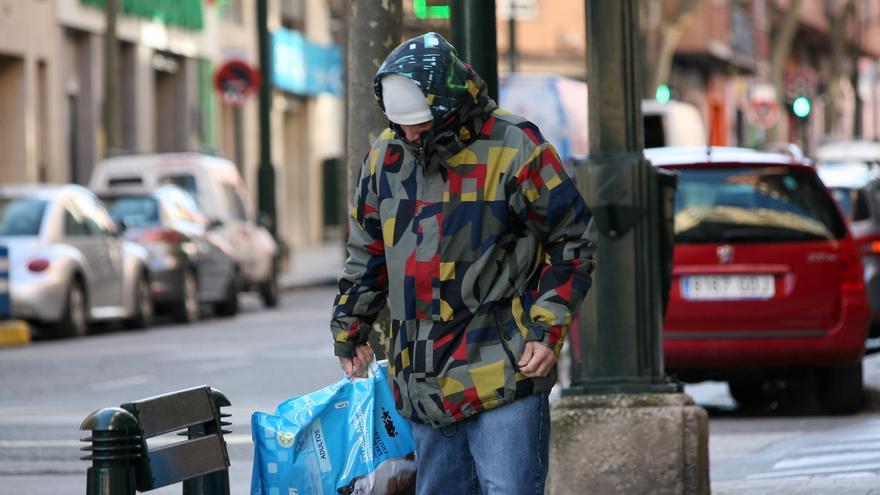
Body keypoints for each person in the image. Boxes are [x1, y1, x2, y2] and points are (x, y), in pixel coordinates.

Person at [330, 32, 597, 494]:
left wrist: (546, 329)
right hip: (422, 380)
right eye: (400, 124)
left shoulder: (516, 148)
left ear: (449, 103)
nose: (410, 134)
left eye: (419, 123)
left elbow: (572, 239)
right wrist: (348, 325)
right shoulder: (385, 157)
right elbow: (368, 251)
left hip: (505, 369)